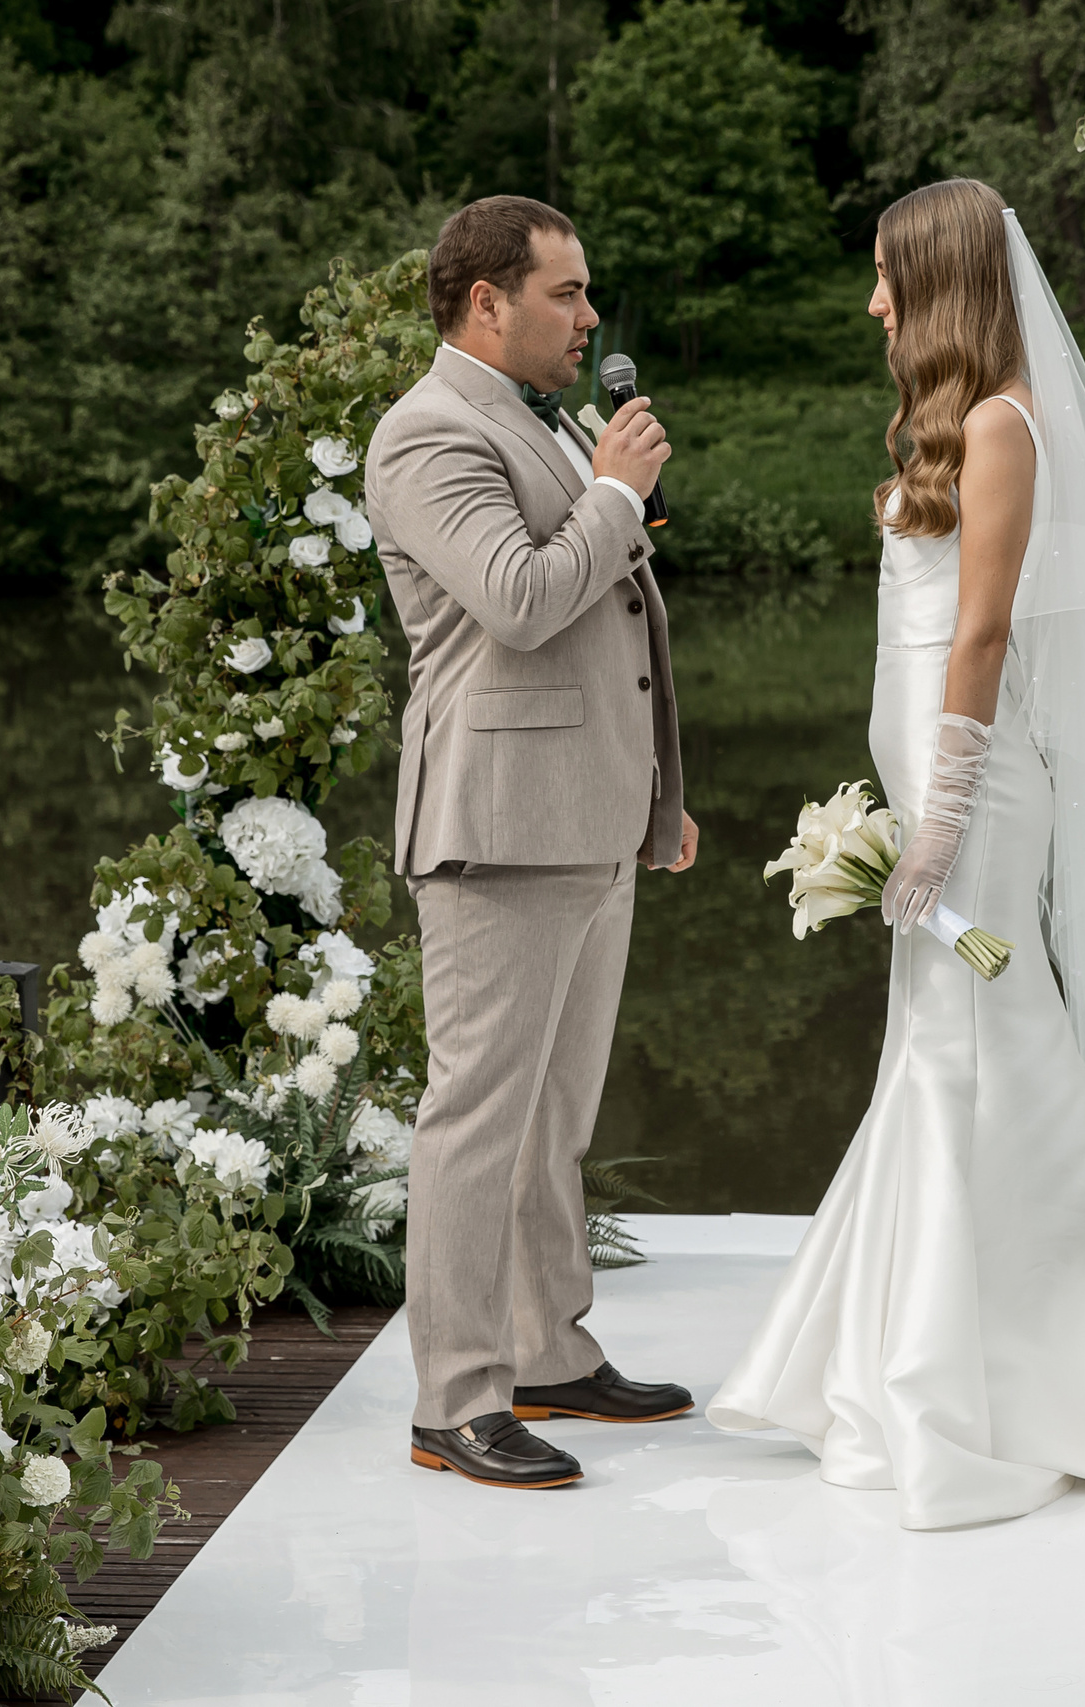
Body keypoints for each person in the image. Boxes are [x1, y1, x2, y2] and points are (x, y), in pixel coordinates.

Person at [708, 179, 1085, 1536]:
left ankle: (1078, 1355)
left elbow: (979, 639)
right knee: (936, 1047)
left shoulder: (1002, 426)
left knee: (989, 1037)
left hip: (977, 796)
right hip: (933, 782)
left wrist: (945, 828)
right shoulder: (939, 427)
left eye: (885, 279)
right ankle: (919, 1360)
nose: (871, 303)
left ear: (940, 288)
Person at [364, 195, 703, 1492]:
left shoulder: (534, 419)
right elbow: (518, 600)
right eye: (566, 292)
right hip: (499, 829)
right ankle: (455, 1400)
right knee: (477, 1123)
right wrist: (616, 493)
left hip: (590, 817)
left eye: (586, 291)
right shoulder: (427, 433)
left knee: (555, 1117)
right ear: (484, 301)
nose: (590, 314)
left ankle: (548, 1349)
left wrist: (657, 794)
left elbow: (613, 635)